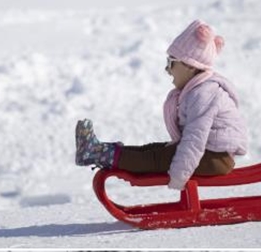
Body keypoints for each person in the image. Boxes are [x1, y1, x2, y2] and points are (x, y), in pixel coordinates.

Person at [75, 19, 248, 189]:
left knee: (156, 158)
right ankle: (98, 150)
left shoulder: (203, 94)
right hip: (210, 154)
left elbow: (194, 138)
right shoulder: (197, 90)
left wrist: (179, 176)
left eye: (171, 63)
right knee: (152, 150)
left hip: (215, 158)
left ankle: (98, 153)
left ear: (190, 66)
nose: (167, 70)